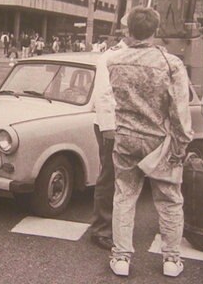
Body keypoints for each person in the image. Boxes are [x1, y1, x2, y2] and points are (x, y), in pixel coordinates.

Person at [106, 7, 193, 277]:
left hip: (126, 137)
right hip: (160, 141)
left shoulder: (114, 60)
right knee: (168, 200)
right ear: (156, 31)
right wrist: (181, 145)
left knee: (124, 196)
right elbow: (179, 111)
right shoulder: (170, 64)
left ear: (129, 30)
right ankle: (170, 259)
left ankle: (121, 257)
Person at [89, 27, 132, 251]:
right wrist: (108, 127)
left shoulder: (136, 55)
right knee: (110, 176)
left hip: (130, 124)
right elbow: (103, 94)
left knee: (127, 178)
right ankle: (101, 228)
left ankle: (118, 225)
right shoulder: (111, 56)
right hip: (112, 125)